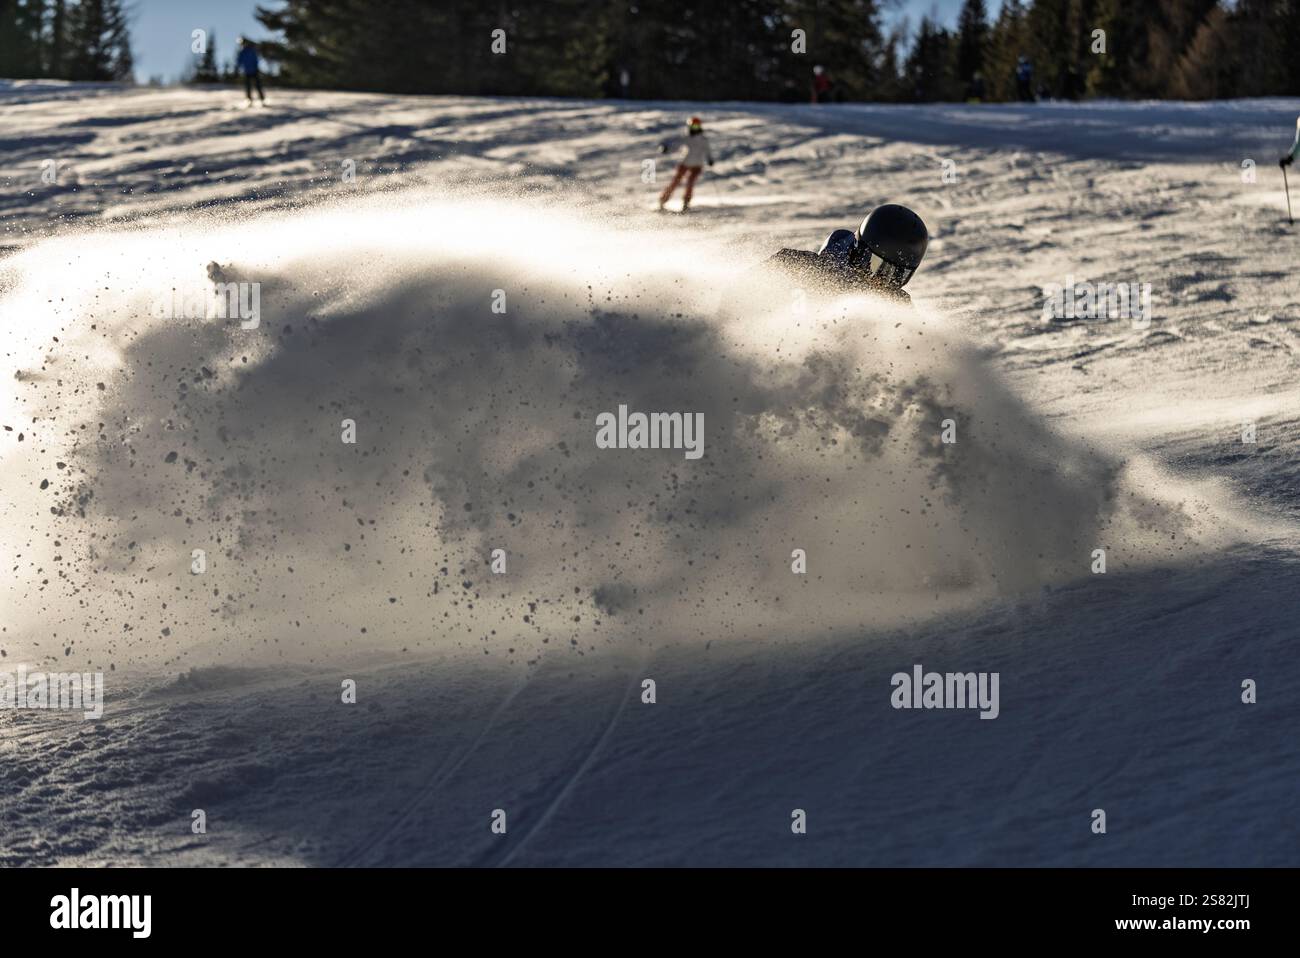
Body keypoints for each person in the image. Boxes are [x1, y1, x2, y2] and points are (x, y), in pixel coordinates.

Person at [766, 204, 929, 306]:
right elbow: (754, 285)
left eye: (897, 277)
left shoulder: (897, 303)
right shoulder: (819, 270)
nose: (882, 282)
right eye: (876, 267)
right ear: (858, 252)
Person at [658, 116, 714, 212]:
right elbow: (676, 146)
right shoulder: (687, 138)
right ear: (689, 127)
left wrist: (710, 159)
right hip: (685, 163)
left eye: (697, 127)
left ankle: (686, 203)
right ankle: (663, 200)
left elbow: (707, 150)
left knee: (690, 183)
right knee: (676, 181)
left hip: (697, 165)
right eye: (693, 127)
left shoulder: (704, 139)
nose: (695, 129)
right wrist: (667, 149)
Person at [237, 37, 266, 105]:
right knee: (248, 86)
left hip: (254, 70)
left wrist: (256, 67)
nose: (243, 45)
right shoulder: (243, 52)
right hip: (247, 71)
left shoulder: (251, 50)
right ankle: (249, 100)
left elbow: (255, 60)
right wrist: (238, 67)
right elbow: (239, 61)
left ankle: (262, 100)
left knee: (257, 85)